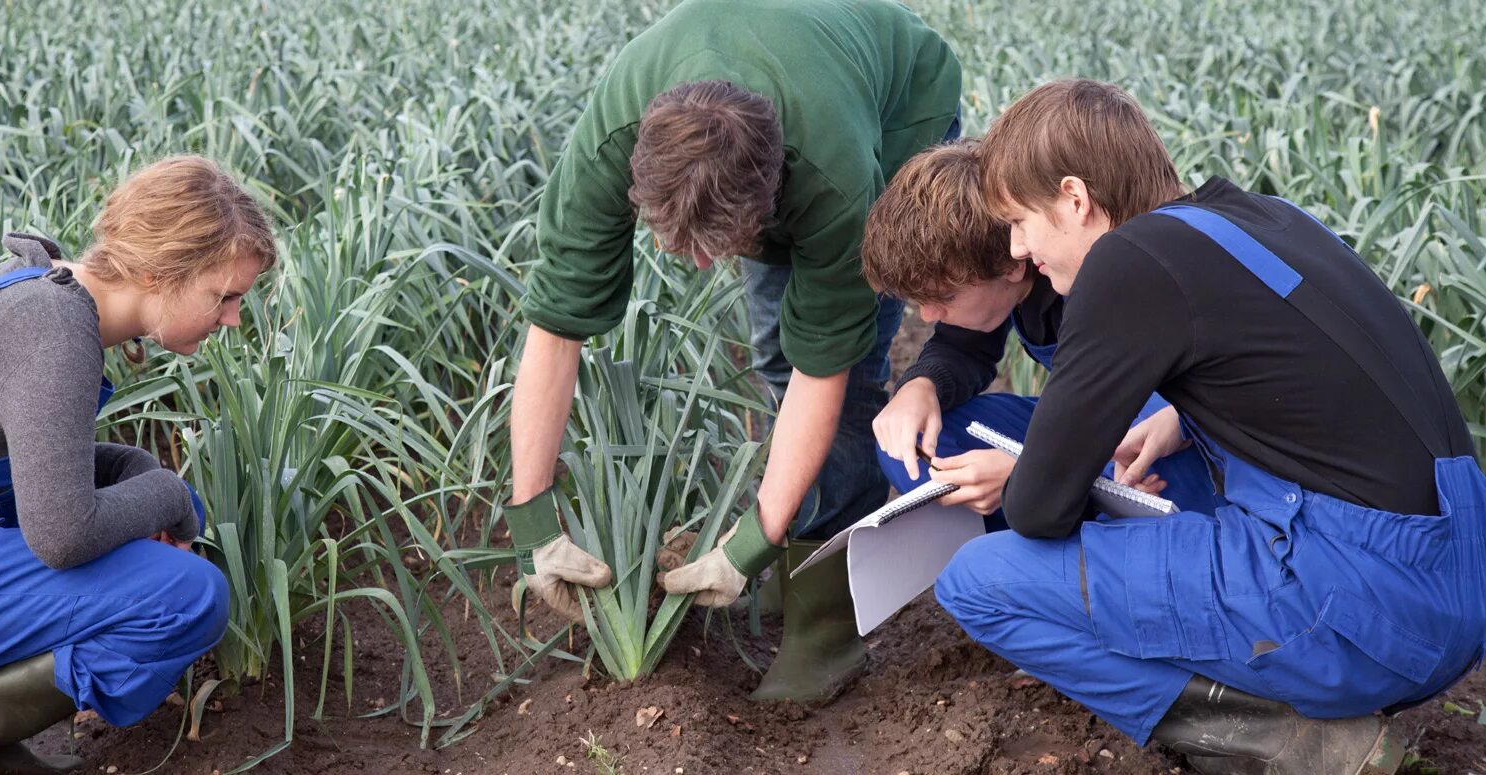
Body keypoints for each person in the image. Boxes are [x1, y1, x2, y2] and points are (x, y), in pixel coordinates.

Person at [915, 80, 1484, 774]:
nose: (1016, 245)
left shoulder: (1126, 262)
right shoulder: (1258, 216)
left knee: (977, 581)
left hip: (1366, 610)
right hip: (1454, 576)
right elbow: (1322, 372)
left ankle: (1284, 740)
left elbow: (1037, 509)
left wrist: (1039, 472)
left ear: (1073, 197)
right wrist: (1183, 420)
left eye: (1019, 221)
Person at [502, 0, 961, 702]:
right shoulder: (610, 138)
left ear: (771, 194)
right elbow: (554, 328)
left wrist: (748, 542)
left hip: (896, 105)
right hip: (787, 97)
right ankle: (789, 550)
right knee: (775, 350)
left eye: (716, 248)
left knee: (851, 366)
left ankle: (828, 619)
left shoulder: (833, 181)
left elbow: (825, 369)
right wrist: (532, 521)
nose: (693, 266)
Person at [0, 156, 275, 774]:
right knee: (186, 594)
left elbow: (12, 458)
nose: (232, 319)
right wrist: (171, 496)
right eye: (223, 297)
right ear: (158, 272)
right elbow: (64, 534)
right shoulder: (53, 328)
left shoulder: (41, 287)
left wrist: (129, 467)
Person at [861, 139, 1216, 531]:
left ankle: (1070, 540)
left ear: (1012, 264)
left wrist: (1029, 477)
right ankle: (1038, 535)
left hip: (1162, 435)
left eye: (943, 297)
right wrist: (920, 385)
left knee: (1155, 474)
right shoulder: (1003, 271)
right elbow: (962, 345)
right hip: (1085, 425)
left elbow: (1154, 417)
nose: (927, 315)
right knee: (907, 443)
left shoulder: (1092, 278)